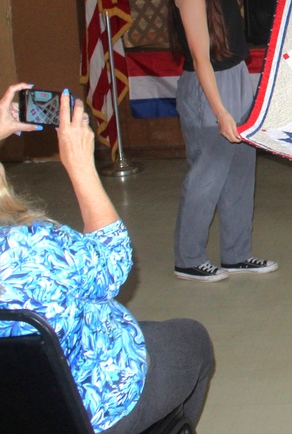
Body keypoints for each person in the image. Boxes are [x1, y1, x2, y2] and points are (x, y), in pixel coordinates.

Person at [0, 85, 214, 433]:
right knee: (192, 339)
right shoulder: (33, 249)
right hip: (87, 408)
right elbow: (113, 262)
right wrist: (81, 166)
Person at [170, 0, 292, 282]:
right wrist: (221, 112)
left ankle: (236, 253)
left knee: (242, 171)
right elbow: (201, 58)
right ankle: (188, 259)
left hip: (236, 79)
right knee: (207, 175)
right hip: (208, 88)